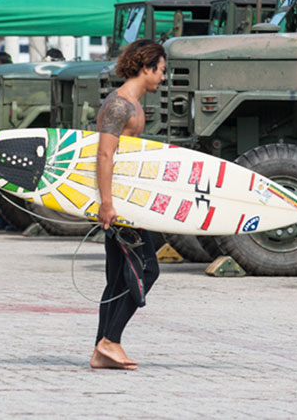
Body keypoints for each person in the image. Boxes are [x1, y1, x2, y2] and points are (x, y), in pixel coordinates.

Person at [91, 39, 165, 371]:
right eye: (161, 70)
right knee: (147, 269)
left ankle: (100, 350)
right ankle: (111, 341)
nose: (162, 78)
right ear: (147, 67)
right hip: (119, 206)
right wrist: (107, 204)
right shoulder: (119, 105)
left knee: (118, 278)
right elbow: (104, 154)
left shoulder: (133, 104)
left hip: (127, 201)